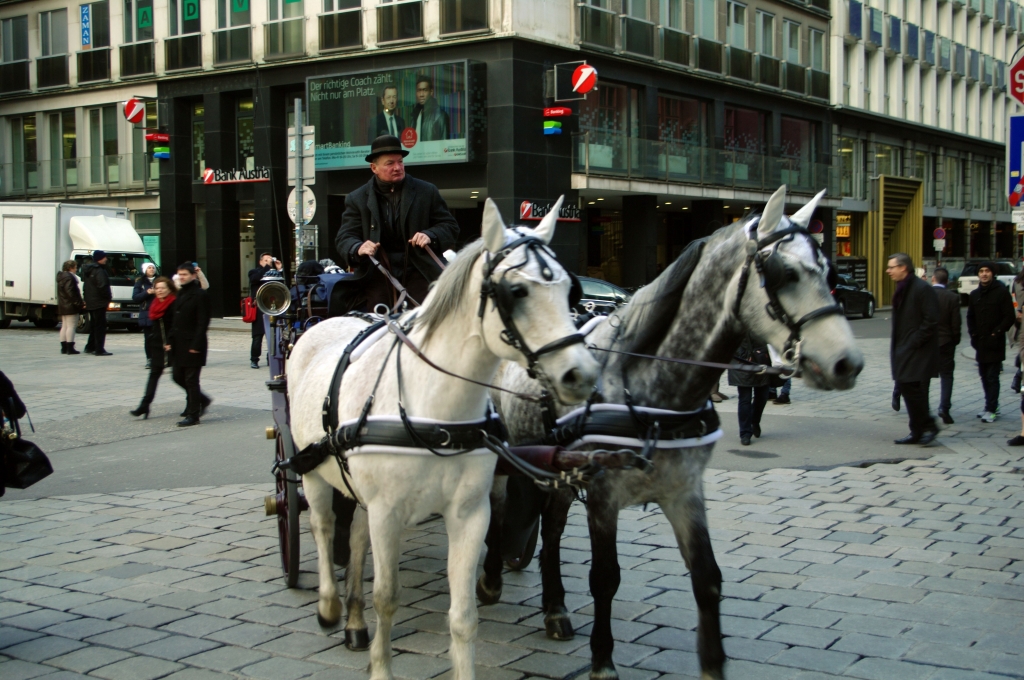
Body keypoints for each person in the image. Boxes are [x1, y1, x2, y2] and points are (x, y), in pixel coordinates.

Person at [336, 135, 459, 312]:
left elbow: (450, 226)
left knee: (430, 317)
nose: (397, 168)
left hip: (420, 270)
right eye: (390, 163)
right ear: (374, 168)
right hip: (378, 272)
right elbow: (344, 237)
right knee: (375, 319)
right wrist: (358, 247)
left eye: (400, 162)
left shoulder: (426, 191)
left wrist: (430, 235)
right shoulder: (357, 198)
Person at [888, 252, 940, 445]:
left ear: (903, 267)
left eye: (892, 267)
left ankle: (928, 426)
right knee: (907, 388)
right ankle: (917, 430)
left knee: (913, 389)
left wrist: (914, 342)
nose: (888, 271)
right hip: (905, 348)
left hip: (918, 350)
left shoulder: (922, 288)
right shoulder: (903, 288)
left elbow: (931, 320)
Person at [967, 261, 1016, 423]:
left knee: (992, 376)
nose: (984, 274)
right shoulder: (975, 294)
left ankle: (992, 408)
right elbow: (970, 316)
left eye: (987, 271)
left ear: (992, 273)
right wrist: (973, 333)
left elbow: (1009, 316)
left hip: (994, 342)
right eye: (981, 271)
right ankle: (990, 405)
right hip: (980, 342)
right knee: (983, 376)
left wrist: (997, 332)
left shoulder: (1001, 292)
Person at [168, 263, 212, 427]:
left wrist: (196, 343)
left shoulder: (200, 295)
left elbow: (203, 322)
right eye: (180, 274)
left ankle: (193, 414)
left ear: (193, 275)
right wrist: (169, 340)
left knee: (191, 379)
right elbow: (175, 320)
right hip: (179, 343)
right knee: (177, 376)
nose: (181, 277)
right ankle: (203, 400)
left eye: (185, 274)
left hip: (194, 343)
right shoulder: (180, 293)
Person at [130, 277, 177, 420]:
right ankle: (144, 405)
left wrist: (171, 341)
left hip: (173, 345)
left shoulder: (174, 304)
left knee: (180, 377)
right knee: (153, 375)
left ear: (169, 289)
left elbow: (177, 326)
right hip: (157, 345)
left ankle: (198, 400)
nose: (160, 290)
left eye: (163, 288)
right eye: (157, 288)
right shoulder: (154, 304)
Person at [728, 333, 771, 446]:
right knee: (745, 399)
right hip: (743, 361)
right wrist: (743, 355)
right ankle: (745, 432)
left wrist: (764, 351)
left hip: (762, 359)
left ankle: (754, 421)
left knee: (763, 396)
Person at [931, 267, 962, 424]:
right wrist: (955, 339)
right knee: (947, 376)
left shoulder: (925, 295)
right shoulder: (952, 297)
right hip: (946, 342)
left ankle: (923, 410)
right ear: (947, 281)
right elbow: (956, 323)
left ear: (933, 279)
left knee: (924, 376)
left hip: (928, 342)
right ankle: (944, 408)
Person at [247, 253, 283, 369]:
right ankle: (254, 359)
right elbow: (255, 279)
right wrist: (267, 267)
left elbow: (282, 286)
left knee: (273, 334)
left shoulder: (274, 272)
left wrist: (280, 269)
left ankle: (270, 358)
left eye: (269, 260)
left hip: (272, 307)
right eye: (265, 260)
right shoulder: (254, 272)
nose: (268, 262)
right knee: (257, 336)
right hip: (259, 308)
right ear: (260, 261)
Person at [82, 250, 113, 356]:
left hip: (91, 302)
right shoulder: (99, 270)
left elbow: (85, 287)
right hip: (99, 302)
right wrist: (108, 298)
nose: (106, 259)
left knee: (94, 325)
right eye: (104, 257)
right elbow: (102, 286)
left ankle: (90, 347)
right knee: (100, 326)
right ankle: (99, 349)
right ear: (100, 258)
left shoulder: (89, 270)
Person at [56, 260, 85, 355]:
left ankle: (63, 347)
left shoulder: (61, 277)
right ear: (70, 268)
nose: (76, 269)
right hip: (70, 306)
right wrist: (79, 303)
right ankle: (70, 347)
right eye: (75, 267)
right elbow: (71, 293)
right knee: (71, 326)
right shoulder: (69, 278)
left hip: (63, 305)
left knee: (64, 326)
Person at [411, 75, 450, 142]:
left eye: (425, 90)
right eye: (419, 90)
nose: (421, 94)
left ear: (431, 92)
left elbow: (444, 145)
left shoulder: (440, 116)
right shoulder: (414, 115)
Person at [133, 263, 157, 369]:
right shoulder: (140, 282)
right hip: (146, 312)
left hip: (159, 311)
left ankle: (161, 358)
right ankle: (150, 359)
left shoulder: (160, 280)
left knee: (160, 337)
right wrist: (147, 292)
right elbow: (135, 297)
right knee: (148, 338)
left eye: (153, 268)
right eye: (149, 268)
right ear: (145, 270)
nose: (151, 269)